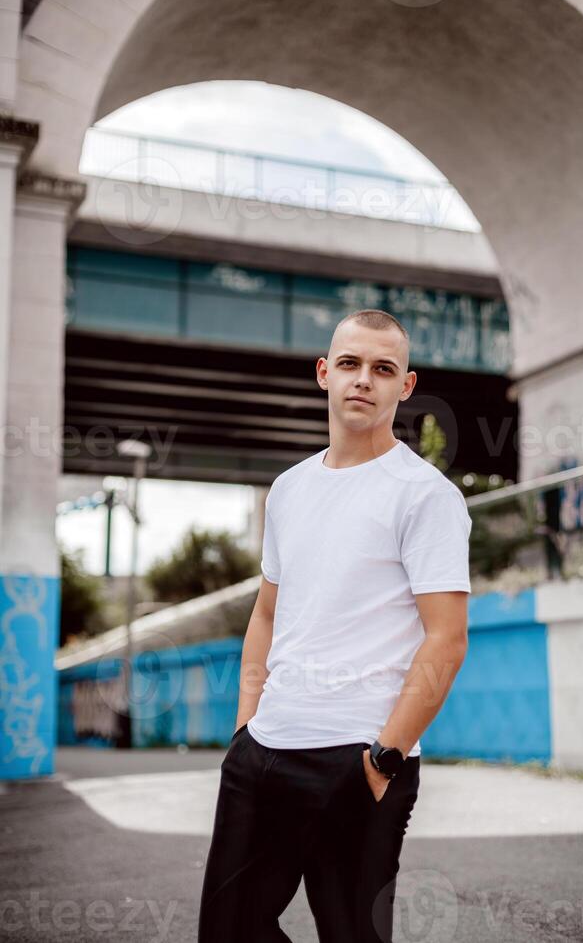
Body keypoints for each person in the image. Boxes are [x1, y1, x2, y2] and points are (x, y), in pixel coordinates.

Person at [197, 309, 472, 943]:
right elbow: (267, 612)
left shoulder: (424, 494)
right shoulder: (288, 490)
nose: (363, 381)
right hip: (264, 752)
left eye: (383, 369)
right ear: (325, 372)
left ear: (405, 386)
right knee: (228, 931)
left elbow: (446, 639)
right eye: (349, 364)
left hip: (358, 759)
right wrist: (245, 728)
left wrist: (382, 759)